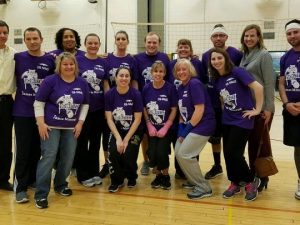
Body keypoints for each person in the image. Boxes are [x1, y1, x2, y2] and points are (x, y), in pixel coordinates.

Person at [33, 52, 89, 209]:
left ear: (75, 66)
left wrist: (80, 123)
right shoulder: (50, 81)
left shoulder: (82, 83)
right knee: (48, 157)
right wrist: (41, 124)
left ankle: (60, 185)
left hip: (71, 127)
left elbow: (85, 105)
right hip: (51, 126)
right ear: (59, 66)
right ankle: (41, 194)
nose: (68, 67)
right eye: (65, 64)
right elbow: (38, 103)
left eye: (71, 64)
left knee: (68, 157)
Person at [209, 47, 263, 201]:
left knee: (235, 152)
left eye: (219, 58)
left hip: (242, 119)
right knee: (228, 153)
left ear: (226, 58)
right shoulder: (217, 79)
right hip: (227, 120)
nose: (216, 61)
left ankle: (250, 181)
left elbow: (258, 88)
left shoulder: (237, 71)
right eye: (213, 59)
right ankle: (235, 182)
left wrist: (257, 110)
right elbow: (222, 99)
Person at [14, 27, 55, 203]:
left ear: (41, 39)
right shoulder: (17, 58)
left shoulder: (50, 60)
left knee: (37, 150)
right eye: (28, 39)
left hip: (43, 115)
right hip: (22, 112)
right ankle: (20, 188)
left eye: (35, 38)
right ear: (24, 41)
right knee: (23, 151)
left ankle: (32, 180)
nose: (32, 41)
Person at [202, 24, 243, 180]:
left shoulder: (236, 54)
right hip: (213, 105)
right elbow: (205, 80)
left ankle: (235, 168)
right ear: (211, 38)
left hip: (232, 105)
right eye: (215, 36)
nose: (218, 38)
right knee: (215, 138)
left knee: (232, 141)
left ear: (226, 37)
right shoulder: (206, 55)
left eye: (221, 35)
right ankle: (218, 165)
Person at [240, 24, 275, 191]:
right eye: (246, 36)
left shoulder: (264, 55)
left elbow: (269, 83)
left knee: (259, 144)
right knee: (252, 143)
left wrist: (268, 108)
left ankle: (262, 176)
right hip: (249, 107)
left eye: (252, 36)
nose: (249, 39)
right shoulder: (244, 55)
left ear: (259, 37)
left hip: (261, 108)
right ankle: (254, 173)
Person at [174, 58, 216, 199]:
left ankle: (204, 187)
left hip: (203, 124)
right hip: (190, 125)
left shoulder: (195, 84)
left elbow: (199, 110)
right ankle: (193, 181)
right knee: (178, 151)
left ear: (190, 70)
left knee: (185, 153)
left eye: (184, 69)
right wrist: (181, 127)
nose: (181, 72)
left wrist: (186, 131)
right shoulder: (180, 87)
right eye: (178, 69)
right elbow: (182, 111)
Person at [99, 30, 138, 179]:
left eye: (124, 39)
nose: (121, 41)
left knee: (126, 133)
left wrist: (135, 98)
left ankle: (123, 165)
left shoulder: (132, 59)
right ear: (115, 41)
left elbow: (134, 81)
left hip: (127, 100)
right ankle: (108, 164)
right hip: (111, 101)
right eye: (118, 39)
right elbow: (105, 81)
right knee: (108, 134)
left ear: (127, 42)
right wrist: (111, 97)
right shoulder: (106, 58)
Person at [169, 38, 207, 180]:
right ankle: (180, 171)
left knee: (189, 144)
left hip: (194, 109)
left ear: (190, 50)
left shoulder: (196, 65)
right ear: (177, 49)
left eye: (186, 47)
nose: (183, 50)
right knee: (178, 141)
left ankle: (192, 175)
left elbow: (201, 83)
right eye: (180, 47)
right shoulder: (171, 64)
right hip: (178, 107)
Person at [75, 33, 109, 187]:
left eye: (96, 43)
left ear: (99, 44)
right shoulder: (78, 60)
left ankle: (94, 172)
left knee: (95, 142)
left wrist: (108, 104)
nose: (93, 46)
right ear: (85, 44)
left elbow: (106, 85)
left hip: (99, 109)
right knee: (82, 142)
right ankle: (83, 175)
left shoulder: (103, 62)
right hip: (82, 109)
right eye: (90, 43)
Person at [134, 32, 170, 176]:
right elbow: (135, 80)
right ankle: (146, 161)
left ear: (159, 44)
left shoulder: (164, 57)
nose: (151, 45)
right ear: (145, 42)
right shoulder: (137, 58)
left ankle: (161, 163)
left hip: (161, 102)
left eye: (154, 42)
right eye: (149, 42)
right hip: (144, 102)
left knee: (162, 132)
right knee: (145, 134)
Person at [105, 67, 143, 193]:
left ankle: (132, 176)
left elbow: (137, 119)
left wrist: (126, 139)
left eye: (127, 76)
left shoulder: (136, 94)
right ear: (115, 77)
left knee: (129, 152)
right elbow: (109, 119)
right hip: (117, 130)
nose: (124, 78)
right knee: (114, 151)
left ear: (130, 79)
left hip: (133, 130)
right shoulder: (109, 94)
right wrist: (118, 138)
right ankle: (117, 180)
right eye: (121, 75)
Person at [142, 61, 177, 190]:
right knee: (152, 152)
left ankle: (166, 175)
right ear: (151, 73)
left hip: (166, 128)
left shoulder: (170, 88)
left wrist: (166, 126)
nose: (158, 74)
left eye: (161, 71)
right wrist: (149, 125)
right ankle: (158, 176)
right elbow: (144, 107)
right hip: (152, 128)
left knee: (162, 151)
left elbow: (174, 108)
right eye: (156, 71)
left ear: (165, 73)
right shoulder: (146, 88)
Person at [278, 19, 300, 200]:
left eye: (295, 32)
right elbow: (282, 83)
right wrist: (286, 104)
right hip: (291, 109)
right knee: (298, 148)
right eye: (289, 33)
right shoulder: (286, 57)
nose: (292, 36)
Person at [0, 20, 16, 191]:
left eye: (5, 32)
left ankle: (3, 178)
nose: (2, 36)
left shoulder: (14, 54)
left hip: (5, 103)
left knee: (4, 144)